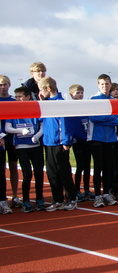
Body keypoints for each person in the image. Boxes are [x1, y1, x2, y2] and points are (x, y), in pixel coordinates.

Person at [38, 76, 78, 211]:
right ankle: (57, 199)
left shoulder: (61, 103)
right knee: (52, 173)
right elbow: (40, 119)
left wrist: (66, 141)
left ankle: (72, 198)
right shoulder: (45, 103)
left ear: (48, 89)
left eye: (41, 91)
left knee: (64, 172)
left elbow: (66, 123)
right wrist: (41, 101)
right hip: (48, 142)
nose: (41, 94)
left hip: (60, 143)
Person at [4, 86, 45, 212]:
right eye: (16, 97)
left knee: (39, 173)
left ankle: (39, 199)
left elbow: (42, 125)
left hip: (35, 146)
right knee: (27, 173)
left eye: (20, 96)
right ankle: (26, 200)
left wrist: (37, 136)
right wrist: (20, 130)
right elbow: (7, 128)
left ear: (27, 97)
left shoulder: (35, 108)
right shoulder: (13, 110)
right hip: (21, 146)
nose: (17, 99)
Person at [87, 74, 118, 207]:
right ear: (98, 85)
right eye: (102, 84)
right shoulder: (93, 99)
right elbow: (93, 118)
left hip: (111, 139)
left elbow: (117, 120)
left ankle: (106, 193)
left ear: (110, 85)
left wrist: (104, 119)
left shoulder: (115, 100)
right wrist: (108, 119)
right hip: (96, 138)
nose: (105, 86)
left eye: (107, 84)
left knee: (109, 167)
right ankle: (97, 195)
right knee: (98, 167)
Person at [68, 84, 93, 202]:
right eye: (77, 92)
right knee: (80, 166)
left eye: (81, 93)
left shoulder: (85, 108)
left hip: (87, 140)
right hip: (78, 141)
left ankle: (87, 189)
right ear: (71, 94)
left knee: (87, 166)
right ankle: (77, 189)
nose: (80, 95)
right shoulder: (71, 109)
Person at [0, 75, 21, 209]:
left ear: (9, 85)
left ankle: (15, 196)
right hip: (0, 139)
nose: (3, 87)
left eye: (5, 84)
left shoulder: (14, 101)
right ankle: (2, 198)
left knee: (13, 166)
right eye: (0, 85)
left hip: (12, 138)